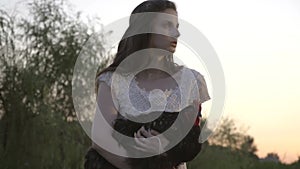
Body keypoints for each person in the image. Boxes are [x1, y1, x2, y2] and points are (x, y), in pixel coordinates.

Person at [84, 0, 211, 169]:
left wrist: (164, 146)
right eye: (167, 25)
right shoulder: (113, 79)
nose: (176, 33)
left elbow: (191, 141)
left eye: (177, 26)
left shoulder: (191, 81)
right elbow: (100, 140)